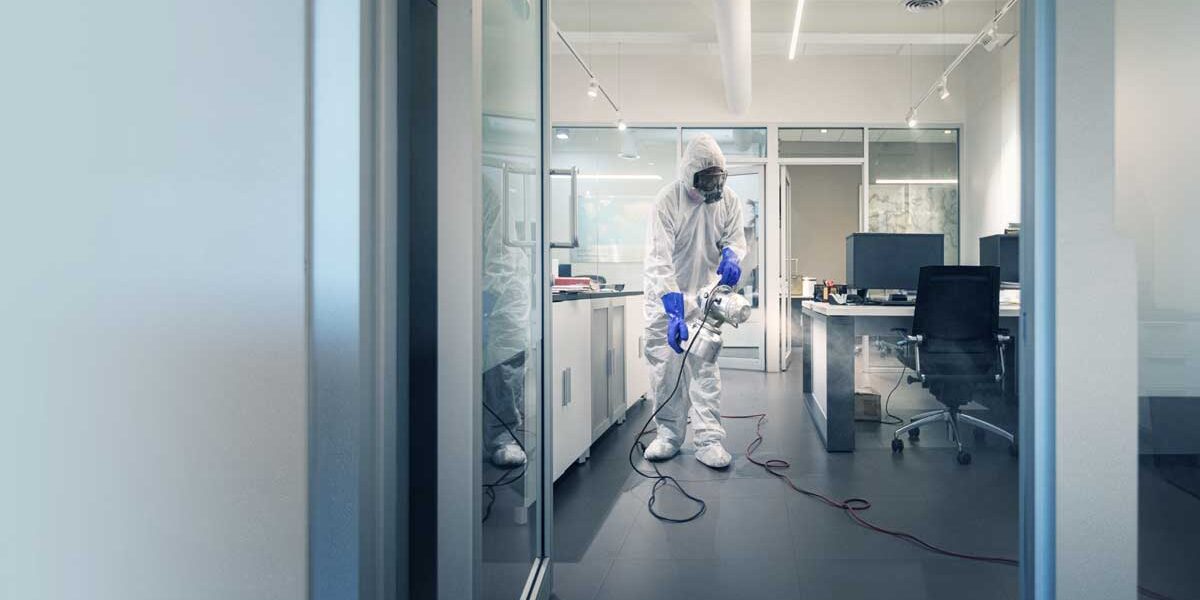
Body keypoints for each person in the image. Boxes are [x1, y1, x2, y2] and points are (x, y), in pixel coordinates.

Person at [641, 134, 747, 469]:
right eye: (706, 180)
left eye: (719, 179)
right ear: (690, 175)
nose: (714, 188)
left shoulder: (728, 200)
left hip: (704, 298)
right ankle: (668, 435)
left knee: (705, 370)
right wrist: (673, 310)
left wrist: (732, 255)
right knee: (666, 370)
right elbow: (658, 260)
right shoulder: (668, 201)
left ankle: (709, 440)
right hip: (666, 298)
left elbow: (735, 239)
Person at [482, 164, 531, 468]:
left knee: (503, 364)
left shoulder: (488, 190)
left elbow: (500, 256)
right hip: (473, 286)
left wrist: (485, 303)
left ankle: (504, 438)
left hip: (505, 291)